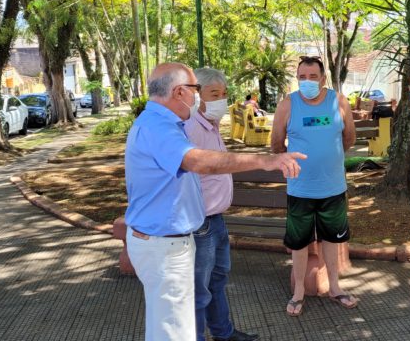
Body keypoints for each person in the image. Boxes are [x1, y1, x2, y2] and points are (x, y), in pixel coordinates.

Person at [124, 63, 305, 341]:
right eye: (197, 90)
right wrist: (265, 161)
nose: (199, 98)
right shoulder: (160, 126)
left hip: (174, 237)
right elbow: (197, 161)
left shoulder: (164, 123)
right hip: (166, 243)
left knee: (171, 323)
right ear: (179, 91)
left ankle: (223, 332)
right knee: (175, 329)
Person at [271, 56, 357, 317]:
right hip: (300, 190)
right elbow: (276, 145)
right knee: (299, 243)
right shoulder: (288, 105)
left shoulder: (338, 102)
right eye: (302, 77)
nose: (307, 81)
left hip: (333, 188)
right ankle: (298, 292)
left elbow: (349, 138)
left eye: (312, 76)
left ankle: (334, 287)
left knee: (332, 239)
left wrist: (327, 159)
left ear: (322, 78)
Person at [184, 68, 258, 341]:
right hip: (200, 221)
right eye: (214, 94)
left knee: (217, 281)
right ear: (196, 94)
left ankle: (223, 333)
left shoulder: (210, 126)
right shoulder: (192, 128)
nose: (221, 100)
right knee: (198, 289)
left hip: (216, 219)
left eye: (224, 94)